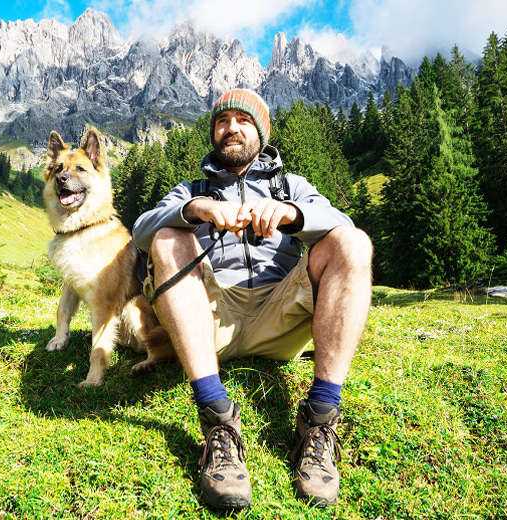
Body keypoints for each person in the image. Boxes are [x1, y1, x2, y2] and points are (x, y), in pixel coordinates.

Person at [131, 88, 374, 509]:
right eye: (222, 121)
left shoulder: (291, 186)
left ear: (261, 132)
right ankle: (217, 420)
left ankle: (320, 420)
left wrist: (292, 214)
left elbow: (340, 221)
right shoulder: (192, 189)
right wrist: (195, 209)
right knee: (167, 236)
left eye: (243, 120)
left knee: (352, 243)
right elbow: (141, 230)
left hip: (281, 315)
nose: (231, 128)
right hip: (210, 323)